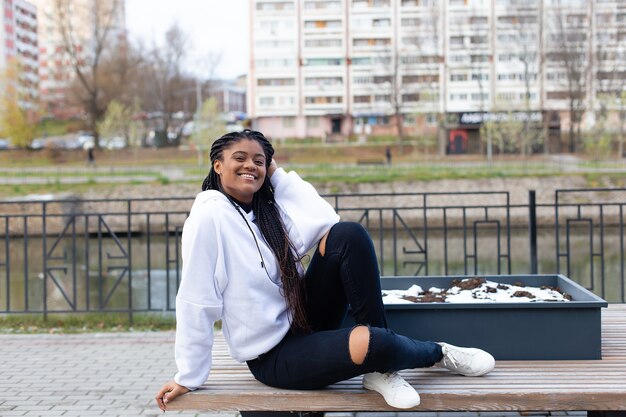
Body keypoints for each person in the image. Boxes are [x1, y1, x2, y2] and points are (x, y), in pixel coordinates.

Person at [155, 129, 495, 411]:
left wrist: (276, 173)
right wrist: (189, 375)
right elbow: (197, 299)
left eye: (259, 161)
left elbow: (324, 220)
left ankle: (382, 369)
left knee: (348, 234)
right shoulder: (208, 217)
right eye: (239, 159)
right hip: (274, 356)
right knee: (368, 340)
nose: (250, 166)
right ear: (217, 165)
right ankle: (438, 352)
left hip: (304, 320)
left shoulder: (265, 214)